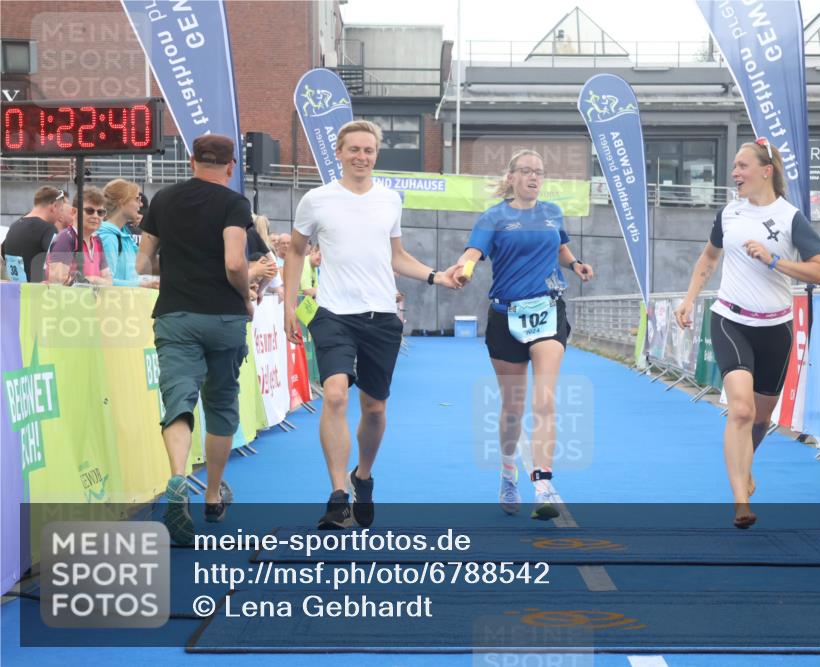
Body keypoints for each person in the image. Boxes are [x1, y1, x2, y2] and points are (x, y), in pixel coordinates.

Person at [283, 120, 459, 530]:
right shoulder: (316, 200)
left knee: (375, 408)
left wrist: (437, 276)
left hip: (381, 316)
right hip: (332, 314)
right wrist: (289, 305)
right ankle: (337, 495)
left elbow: (396, 256)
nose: (361, 157)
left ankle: (362, 477)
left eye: (369, 150)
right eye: (354, 149)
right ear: (339, 153)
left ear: (376, 155)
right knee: (334, 395)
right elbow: (295, 252)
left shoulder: (389, 200)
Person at [675, 139, 820, 529]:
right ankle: (740, 501)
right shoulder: (729, 213)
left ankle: (746, 464)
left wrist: (774, 260)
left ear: (766, 171)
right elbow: (709, 256)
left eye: (742, 166)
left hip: (776, 328)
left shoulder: (792, 218)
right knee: (741, 410)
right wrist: (688, 298)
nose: (735, 173)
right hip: (730, 320)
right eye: (734, 167)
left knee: (761, 420)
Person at [452, 149, 593, 520]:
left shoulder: (552, 213)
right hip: (506, 317)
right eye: (526, 171)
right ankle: (507, 471)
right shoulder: (494, 217)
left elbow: (560, 247)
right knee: (513, 408)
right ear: (511, 177)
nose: (533, 177)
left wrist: (575, 263)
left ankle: (543, 485)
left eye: (539, 172)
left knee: (544, 400)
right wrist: (464, 268)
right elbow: (472, 252)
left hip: (548, 310)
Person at [136, 134, 255, 545]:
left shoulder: (163, 199)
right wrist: (246, 296)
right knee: (220, 404)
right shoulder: (234, 204)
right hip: (223, 316)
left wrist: (176, 262)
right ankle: (212, 495)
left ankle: (176, 478)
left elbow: (142, 262)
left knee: (178, 400)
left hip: (175, 315)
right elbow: (235, 262)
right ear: (231, 166)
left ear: (191, 161)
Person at [45, 187, 112, 286]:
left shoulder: (97, 240)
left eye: (100, 212)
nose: (96, 216)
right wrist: (93, 280)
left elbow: (109, 282)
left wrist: (89, 280)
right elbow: (58, 281)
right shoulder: (65, 238)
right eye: (89, 211)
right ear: (74, 212)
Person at [1, 185, 65, 282]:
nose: (60, 216)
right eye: (61, 210)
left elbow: (3, 254)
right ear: (54, 206)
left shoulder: (14, 226)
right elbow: (57, 267)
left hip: (15, 289)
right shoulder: (48, 229)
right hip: (37, 290)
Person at [99, 179, 146, 286]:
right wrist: (143, 285)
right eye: (137, 199)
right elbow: (106, 284)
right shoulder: (109, 237)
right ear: (122, 202)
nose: (141, 204)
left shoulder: (123, 235)